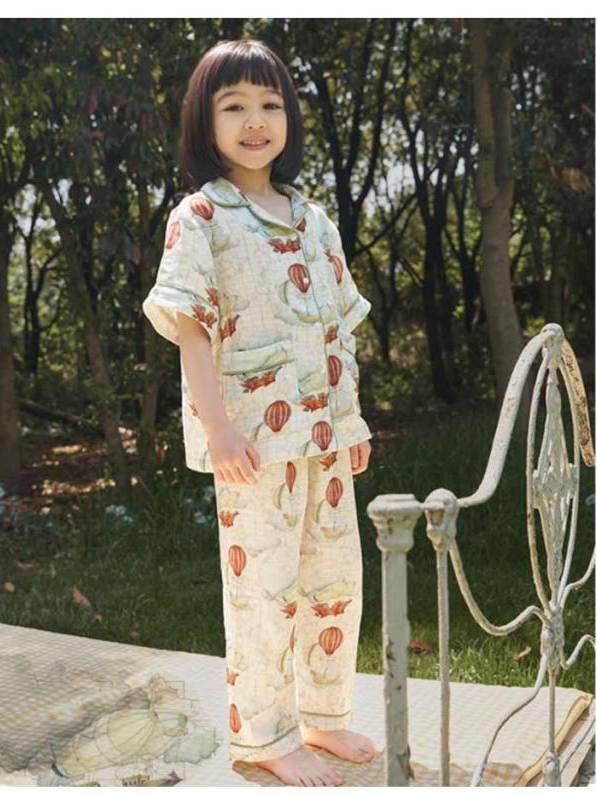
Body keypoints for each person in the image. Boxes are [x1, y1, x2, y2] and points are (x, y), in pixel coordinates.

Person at [142, 38, 380, 787]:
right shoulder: (202, 216)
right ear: (203, 121)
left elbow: (338, 327)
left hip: (326, 439)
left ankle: (323, 716)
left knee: (335, 583)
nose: (255, 121)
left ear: (289, 118)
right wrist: (216, 428)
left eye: (270, 104)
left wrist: (353, 421)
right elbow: (191, 325)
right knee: (263, 593)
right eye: (234, 105)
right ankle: (263, 737)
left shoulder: (314, 218)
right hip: (253, 444)